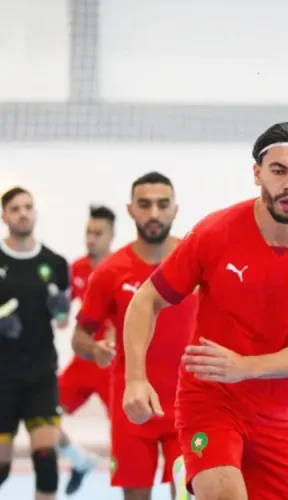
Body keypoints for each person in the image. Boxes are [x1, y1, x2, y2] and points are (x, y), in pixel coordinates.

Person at [121, 121, 288, 500]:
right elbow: (146, 299)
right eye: (278, 171)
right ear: (257, 173)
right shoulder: (216, 232)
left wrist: (247, 367)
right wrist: (136, 377)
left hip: (279, 415)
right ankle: (198, 472)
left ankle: (189, 478)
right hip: (210, 400)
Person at [71, 173, 198, 500]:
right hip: (132, 404)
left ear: (175, 209)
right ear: (130, 210)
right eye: (144, 204)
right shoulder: (110, 271)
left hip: (191, 403)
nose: (153, 213)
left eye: (162, 204)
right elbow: (79, 338)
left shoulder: (196, 260)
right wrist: (94, 347)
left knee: (187, 494)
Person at [0, 187, 71, 500]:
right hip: (2, 377)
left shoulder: (54, 262)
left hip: (41, 374)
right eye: (15, 208)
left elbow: (61, 321)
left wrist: (60, 308)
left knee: (46, 461)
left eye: (28, 207)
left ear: (36, 213)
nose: (23, 213)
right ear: (4, 216)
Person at [57, 205, 116, 494]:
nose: (91, 239)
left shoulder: (121, 267)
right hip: (83, 362)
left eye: (97, 233)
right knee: (42, 416)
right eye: (88, 232)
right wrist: (55, 310)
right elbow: (62, 320)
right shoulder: (76, 269)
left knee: (126, 435)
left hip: (112, 367)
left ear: (111, 235)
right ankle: (79, 460)